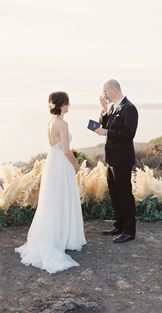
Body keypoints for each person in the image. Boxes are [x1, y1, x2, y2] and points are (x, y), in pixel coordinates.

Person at [15, 91, 86, 273]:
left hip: (52, 162)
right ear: (63, 104)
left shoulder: (50, 122)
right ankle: (64, 237)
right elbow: (66, 150)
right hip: (61, 164)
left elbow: (55, 147)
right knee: (63, 198)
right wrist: (78, 167)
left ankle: (57, 235)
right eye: (68, 103)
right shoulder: (62, 123)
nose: (69, 106)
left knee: (53, 200)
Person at [95, 79, 138, 243]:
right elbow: (106, 125)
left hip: (122, 159)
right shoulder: (113, 107)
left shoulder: (129, 108)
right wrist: (104, 110)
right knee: (115, 194)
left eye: (104, 90)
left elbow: (128, 133)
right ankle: (119, 225)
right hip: (111, 158)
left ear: (113, 90)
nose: (102, 93)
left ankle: (129, 230)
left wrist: (107, 132)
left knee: (124, 194)